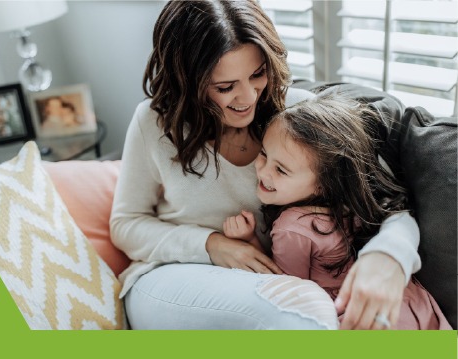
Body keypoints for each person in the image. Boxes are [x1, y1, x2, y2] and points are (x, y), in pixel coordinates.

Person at [110, 0, 421, 330]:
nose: (248, 98)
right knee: (303, 307)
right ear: (188, 82)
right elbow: (126, 223)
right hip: (169, 277)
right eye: (225, 87)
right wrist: (211, 245)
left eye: (257, 74)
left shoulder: (301, 116)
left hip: (274, 282)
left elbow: (389, 205)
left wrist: (389, 256)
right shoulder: (155, 123)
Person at [223, 94, 452, 330]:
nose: (263, 171)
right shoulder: (354, 204)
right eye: (263, 153)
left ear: (323, 184)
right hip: (408, 303)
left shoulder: (292, 226)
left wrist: (249, 240)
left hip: (352, 312)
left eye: (281, 170)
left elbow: (286, 288)